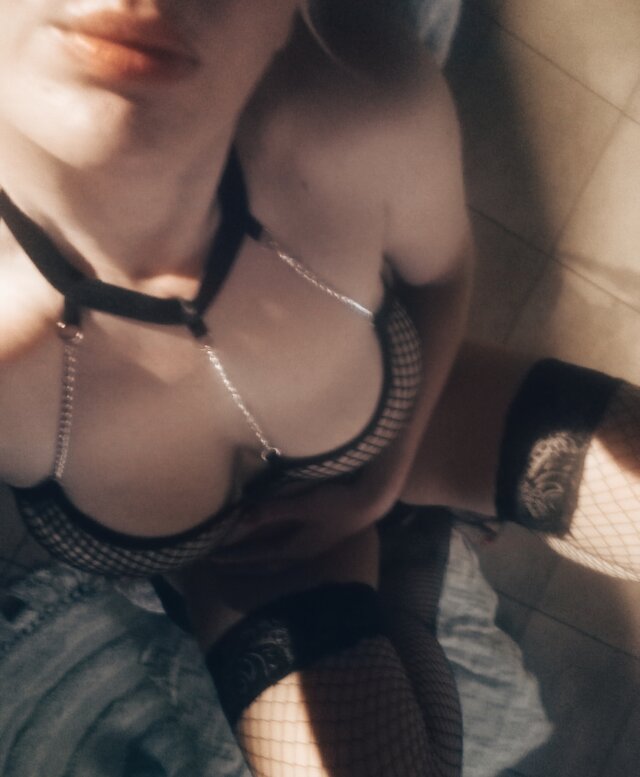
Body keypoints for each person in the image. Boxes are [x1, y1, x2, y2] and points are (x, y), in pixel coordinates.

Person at [1, 1, 638, 775]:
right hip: (246, 565)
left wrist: (379, 486)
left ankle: (406, 538)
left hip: (421, 425)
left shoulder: (360, 103)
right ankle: (410, 574)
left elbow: (442, 276)